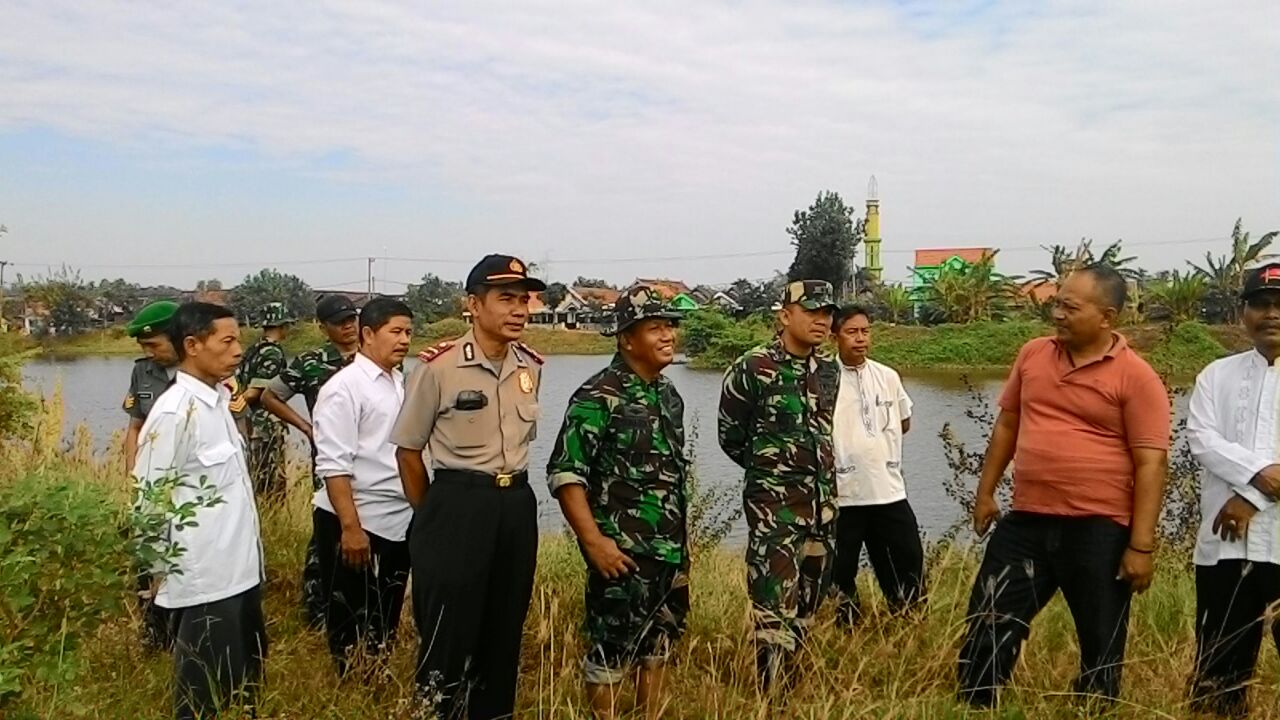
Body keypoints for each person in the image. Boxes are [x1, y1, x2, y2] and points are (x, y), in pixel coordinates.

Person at [957, 264, 1171, 707]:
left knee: (1101, 640)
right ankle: (976, 704)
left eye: (1069, 307)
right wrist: (985, 492)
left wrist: (1141, 546)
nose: (1057, 314)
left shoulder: (1136, 377)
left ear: (1107, 317)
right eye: (1056, 304)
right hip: (1027, 521)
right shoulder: (1033, 354)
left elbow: (1151, 462)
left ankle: (1094, 708)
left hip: (1099, 528)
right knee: (989, 620)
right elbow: (1008, 424)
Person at [391, 254, 545, 719]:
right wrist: (434, 514)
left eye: (523, 299)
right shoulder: (438, 368)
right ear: (473, 305)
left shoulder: (531, 366)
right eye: (505, 299)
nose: (518, 309)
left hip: (515, 504)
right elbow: (408, 451)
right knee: (447, 630)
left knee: (504, 627)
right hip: (457, 503)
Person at [547, 285, 689, 720]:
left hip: (669, 552)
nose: (667, 336)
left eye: (670, 326)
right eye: (655, 328)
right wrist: (594, 543)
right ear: (627, 338)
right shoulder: (597, 396)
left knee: (659, 646)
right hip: (621, 553)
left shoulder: (668, 396)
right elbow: (566, 474)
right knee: (611, 652)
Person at [131, 302, 266, 720]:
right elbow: (148, 496)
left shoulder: (217, 401)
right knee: (200, 696)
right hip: (205, 577)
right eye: (226, 341)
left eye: (238, 339)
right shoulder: (174, 412)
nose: (238, 350)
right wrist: (153, 575)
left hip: (240, 572)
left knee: (242, 686)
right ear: (192, 345)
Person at [718, 279, 840, 690]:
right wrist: (770, 476)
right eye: (812, 312)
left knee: (808, 602)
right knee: (772, 608)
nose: (822, 321)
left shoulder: (828, 369)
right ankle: (771, 697)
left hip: (823, 507)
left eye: (827, 314)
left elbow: (822, 430)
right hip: (776, 510)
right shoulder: (752, 367)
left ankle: (794, 683)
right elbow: (731, 436)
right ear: (785, 315)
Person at [1187, 263, 1280, 718]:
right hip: (1226, 548)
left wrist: (1252, 498)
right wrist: (1262, 475)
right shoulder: (1215, 376)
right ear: (1243, 312)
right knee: (1218, 674)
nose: (1272, 314)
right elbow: (1201, 439)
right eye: (1261, 304)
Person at [312, 297, 414, 677]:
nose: (404, 340)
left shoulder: (400, 381)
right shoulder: (345, 388)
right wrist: (350, 529)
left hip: (396, 519)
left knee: (383, 616)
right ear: (368, 334)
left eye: (408, 332)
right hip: (355, 519)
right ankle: (351, 688)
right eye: (395, 331)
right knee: (349, 620)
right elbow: (334, 466)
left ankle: (375, 683)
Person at [260, 294, 360, 628]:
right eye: (339, 322)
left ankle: (360, 601)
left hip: (371, 459)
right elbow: (269, 396)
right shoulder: (311, 361)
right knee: (326, 531)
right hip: (330, 460)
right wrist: (305, 426)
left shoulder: (374, 357)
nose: (349, 327)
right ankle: (317, 606)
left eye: (352, 319)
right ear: (322, 326)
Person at [828, 304, 925, 626]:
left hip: (888, 491)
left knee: (906, 563)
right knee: (839, 571)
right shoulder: (822, 378)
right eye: (851, 332)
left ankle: (908, 626)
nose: (860, 339)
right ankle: (846, 630)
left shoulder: (887, 376)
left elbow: (904, 421)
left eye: (865, 331)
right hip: (842, 495)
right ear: (834, 336)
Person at [123, 299, 182, 652]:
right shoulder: (142, 372)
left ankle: (185, 634)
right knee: (149, 560)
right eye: (144, 347)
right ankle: (154, 634)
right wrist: (134, 478)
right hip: (151, 485)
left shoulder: (208, 374)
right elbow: (134, 427)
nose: (150, 352)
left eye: (154, 345)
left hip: (190, 488)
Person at [236, 301, 295, 503]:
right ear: (282, 326)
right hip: (265, 426)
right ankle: (273, 522)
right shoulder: (272, 352)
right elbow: (256, 391)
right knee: (271, 482)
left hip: (248, 422)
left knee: (255, 475)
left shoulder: (253, 349)